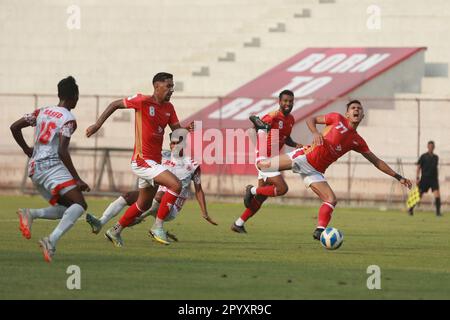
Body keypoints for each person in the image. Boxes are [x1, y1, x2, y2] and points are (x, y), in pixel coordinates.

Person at [256, 100, 412, 240]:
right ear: (347, 114)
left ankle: (320, 230)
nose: (356, 110)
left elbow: (376, 161)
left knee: (331, 200)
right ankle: (262, 130)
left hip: (315, 171)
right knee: (263, 165)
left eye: (359, 108)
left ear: (362, 116)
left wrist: (399, 177)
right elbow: (311, 119)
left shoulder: (357, 141)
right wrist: (315, 132)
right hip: (304, 157)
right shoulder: (336, 118)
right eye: (353, 108)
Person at [86, 72, 193, 245]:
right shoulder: (142, 101)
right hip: (142, 160)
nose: (171, 90)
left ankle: (115, 231)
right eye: (168, 86)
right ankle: (157, 226)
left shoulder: (169, 108)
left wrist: (184, 130)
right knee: (176, 185)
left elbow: (176, 133)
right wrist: (97, 125)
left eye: (172, 86)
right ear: (156, 86)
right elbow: (115, 104)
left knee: (143, 204)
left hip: (154, 163)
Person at [10, 76, 90, 262]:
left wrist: (26, 149)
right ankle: (50, 241)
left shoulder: (42, 111)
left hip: (34, 168)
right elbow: (62, 150)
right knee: (80, 205)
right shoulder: (69, 119)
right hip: (51, 166)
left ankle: (31, 214)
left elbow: (14, 127)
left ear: (59, 94)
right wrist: (76, 178)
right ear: (74, 97)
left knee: (66, 208)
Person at [85, 133, 217, 246]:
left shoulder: (192, 165)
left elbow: (199, 190)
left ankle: (145, 220)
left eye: (178, 143)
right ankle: (101, 222)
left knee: (159, 195)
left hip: (171, 207)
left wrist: (204, 213)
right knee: (128, 196)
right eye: (172, 143)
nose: (174, 146)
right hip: (156, 197)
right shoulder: (162, 155)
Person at [231, 90, 302, 233]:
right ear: (279, 102)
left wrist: (295, 144)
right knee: (282, 188)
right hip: (265, 159)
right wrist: (259, 148)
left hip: (274, 160)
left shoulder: (291, 119)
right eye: (285, 101)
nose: (288, 104)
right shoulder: (272, 116)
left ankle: (238, 224)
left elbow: (285, 137)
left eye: (290, 101)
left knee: (261, 197)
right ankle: (251, 190)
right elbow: (253, 129)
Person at [408, 141, 441, 216]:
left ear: (434, 147)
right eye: (429, 146)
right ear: (427, 147)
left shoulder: (436, 157)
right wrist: (417, 178)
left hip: (433, 180)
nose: (431, 148)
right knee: (419, 194)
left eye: (432, 147)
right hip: (424, 179)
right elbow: (418, 167)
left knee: (437, 195)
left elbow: (435, 169)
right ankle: (411, 209)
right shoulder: (423, 156)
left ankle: (438, 213)